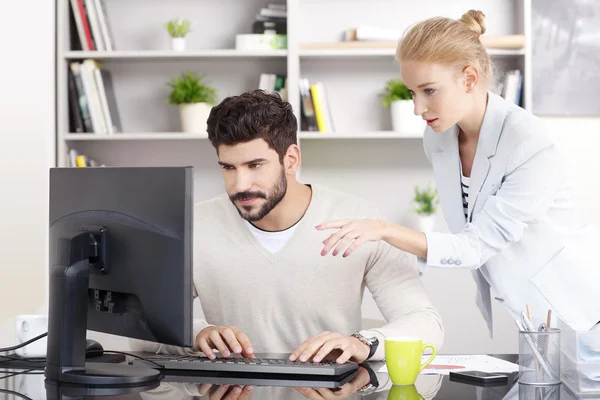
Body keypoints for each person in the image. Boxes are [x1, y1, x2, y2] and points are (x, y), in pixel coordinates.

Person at [317, 10, 600, 335]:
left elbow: (476, 245)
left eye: (429, 91)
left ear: (469, 78)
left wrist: (383, 229)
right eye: (412, 92)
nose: (417, 108)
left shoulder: (528, 142)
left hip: (580, 314)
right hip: (523, 312)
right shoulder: (438, 138)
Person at [130, 89, 444, 369]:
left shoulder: (358, 220)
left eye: (255, 166)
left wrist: (362, 343)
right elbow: (142, 327)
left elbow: (426, 323)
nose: (240, 185)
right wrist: (199, 333)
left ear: (290, 159)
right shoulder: (195, 226)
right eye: (228, 168)